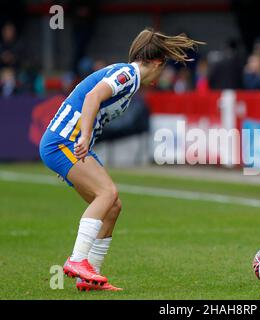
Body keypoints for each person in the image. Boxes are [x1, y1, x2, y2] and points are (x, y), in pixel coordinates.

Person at [39, 28, 203, 291]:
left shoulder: (130, 79)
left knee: (112, 205)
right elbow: (93, 97)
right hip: (64, 141)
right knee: (107, 193)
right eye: (164, 67)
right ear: (158, 62)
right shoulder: (126, 74)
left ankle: (89, 278)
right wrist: (85, 135)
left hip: (68, 143)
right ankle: (77, 260)